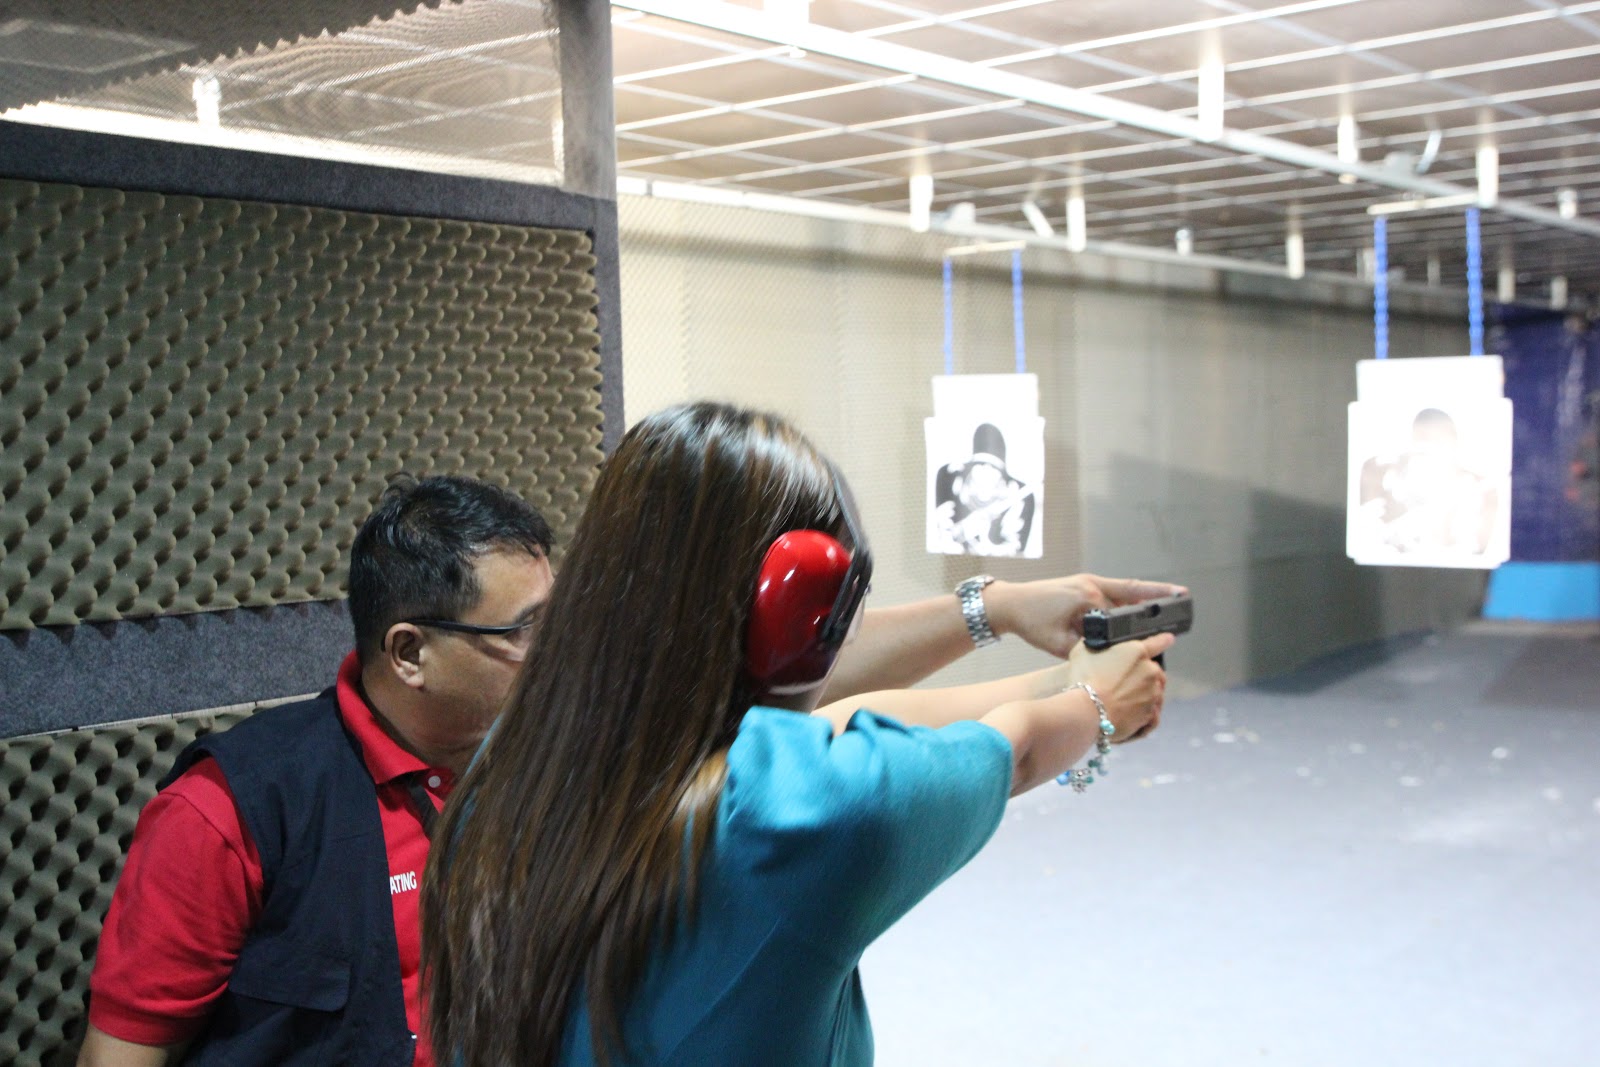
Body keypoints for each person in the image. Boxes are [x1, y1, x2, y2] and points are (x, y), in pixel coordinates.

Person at [77, 470, 1181, 1067]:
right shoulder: (231, 813)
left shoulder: (551, 748)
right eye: (528, 634)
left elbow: (826, 694)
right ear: (411, 650)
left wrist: (994, 613)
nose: (568, 657)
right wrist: (1081, 706)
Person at [421, 402, 1174, 1067]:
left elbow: (830, 722)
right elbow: (1017, 747)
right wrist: (1096, 703)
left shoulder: (507, 770)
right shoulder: (801, 814)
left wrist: (1001, 612)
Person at [933, 421, 1037, 556]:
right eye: (981, 465)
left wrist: (986, 545)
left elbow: (1015, 548)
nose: (986, 472)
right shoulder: (952, 483)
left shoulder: (1017, 495)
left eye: (993, 468)